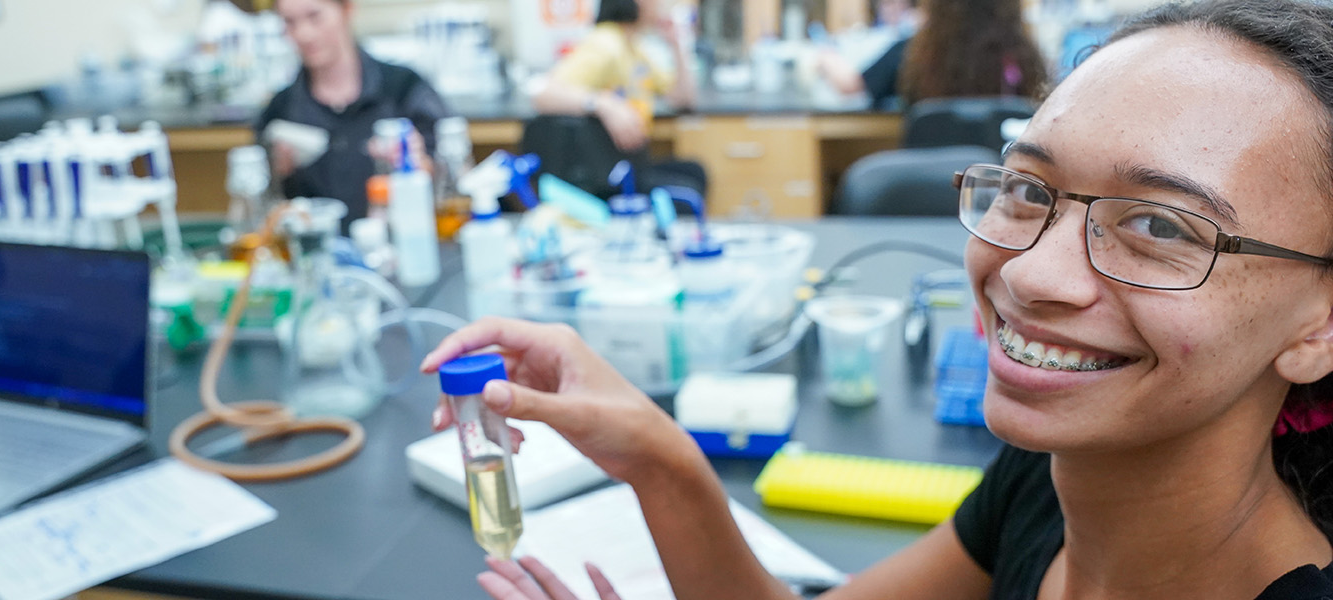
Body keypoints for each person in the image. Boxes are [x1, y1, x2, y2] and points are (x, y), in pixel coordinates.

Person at [421, 0, 1333, 597]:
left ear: (1319, 323)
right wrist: (659, 456)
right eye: (1027, 188)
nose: (1029, 273)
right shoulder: (1053, 481)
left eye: (1164, 228)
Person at [254, 0, 450, 230]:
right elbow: (263, 205)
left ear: (347, 9)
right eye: (289, 22)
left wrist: (421, 166)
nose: (304, 34)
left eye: (315, 16)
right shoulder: (280, 111)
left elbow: (453, 178)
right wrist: (277, 174)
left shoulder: (403, 90)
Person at [531, 0, 706, 195]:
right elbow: (543, 93)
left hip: (633, 160)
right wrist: (604, 104)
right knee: (689, 190)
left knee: (695, 172)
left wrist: (677, 44)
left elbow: (682, 99)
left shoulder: (633, 46)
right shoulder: (606, 43)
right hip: (610, 170)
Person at [819, 0, 1046, 109]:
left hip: (928, 181)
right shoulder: (1024, 56)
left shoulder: (915, 52)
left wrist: (826, 57)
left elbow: (852, 85)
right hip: (1000, 176)